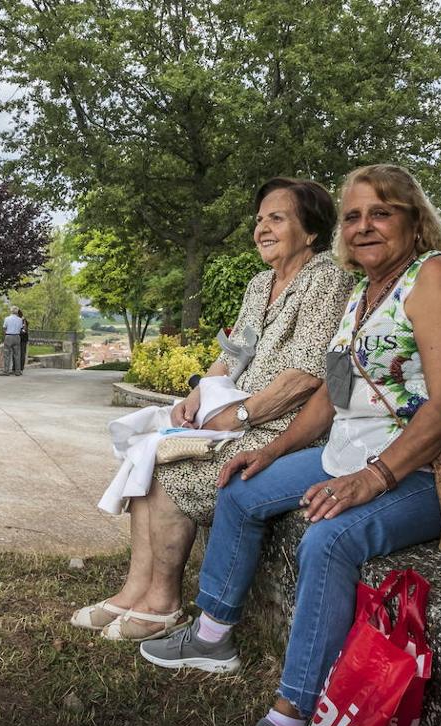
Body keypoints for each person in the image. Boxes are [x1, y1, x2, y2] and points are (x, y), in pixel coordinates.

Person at [138, 164, 441, 726]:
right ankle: (211, 635)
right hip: (351, 457)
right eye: (354, 215)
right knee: (245, 485)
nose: (364, 226)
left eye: (381, 212)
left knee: (328, 539)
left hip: (437, 473)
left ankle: (288, 725)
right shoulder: (363, 294)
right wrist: (273, 450)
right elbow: (331, 395)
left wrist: (373, 478)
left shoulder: (439, 275)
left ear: (415, 220)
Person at [71, 178, 358, 641]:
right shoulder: (260, 282)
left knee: (173, 478)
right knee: (149, 456)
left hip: (283, 429)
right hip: (233, 422)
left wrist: (241, 416)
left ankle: (164, 605)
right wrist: (199, 393)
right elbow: (235, 350)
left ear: (310, 232)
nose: (262, 228)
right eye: (260, 219)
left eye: (277, 218)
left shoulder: (328, 278)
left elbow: (307, 375)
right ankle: (134, 591)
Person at [0, 306, 24, 376]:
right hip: (17, 336)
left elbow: (4, 328)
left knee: (6, 354)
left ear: (11, 311)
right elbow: (21, 328)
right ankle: (17, 371)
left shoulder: (7, 318)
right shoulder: (20, 320)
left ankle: (6, 371)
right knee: (17, 354)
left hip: (9, 336)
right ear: (17, 311)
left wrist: (5, 335)